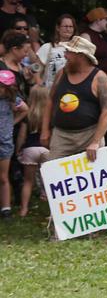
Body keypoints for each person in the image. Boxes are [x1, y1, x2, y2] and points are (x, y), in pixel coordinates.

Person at [43, 35, 107, 161]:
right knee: (55, 175)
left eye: (68, 52)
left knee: (93, 178)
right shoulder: (62, 73)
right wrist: (45, 130)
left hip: (90, 135)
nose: (65, 56)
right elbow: (50, 100)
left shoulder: (100, 78)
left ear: (80, 56)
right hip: (61, 136)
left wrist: (95, 141)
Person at [16, 84, 48, 216]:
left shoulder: (28, 115)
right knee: (49, 181)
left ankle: (23, 209)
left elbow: (22, 136)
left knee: (28, 182)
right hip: (46, 149)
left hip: (30, 149)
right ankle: (51, 208)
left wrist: (18, 149)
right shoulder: (50, 116)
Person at [0, 69, 27, 217]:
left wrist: (11, 123)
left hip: (4, 142)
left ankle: (6, 208)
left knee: (3, 177)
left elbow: (25, 110)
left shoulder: (12, 100)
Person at [37, 13, 76, 87]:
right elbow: (36, 67)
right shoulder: (47, 47)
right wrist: (39, 83)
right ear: (58, 28)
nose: (68, 29)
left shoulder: (78, 49)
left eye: (71, 27)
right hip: (49, 91)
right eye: (65, 26)